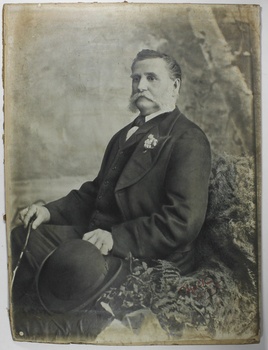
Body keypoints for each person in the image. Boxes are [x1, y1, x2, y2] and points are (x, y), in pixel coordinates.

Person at [12, 50, 211, 302]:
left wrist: (116, 238)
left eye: (151, 78)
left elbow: (182, 220)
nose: (141, 86)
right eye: (136, 78)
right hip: (97, 236)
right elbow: (96, 193)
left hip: (147, 256)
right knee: (23, 237)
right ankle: (18, 321)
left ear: (174, 85)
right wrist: (48, 212)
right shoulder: (124, 135)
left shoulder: (187, 138)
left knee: (71, 264)